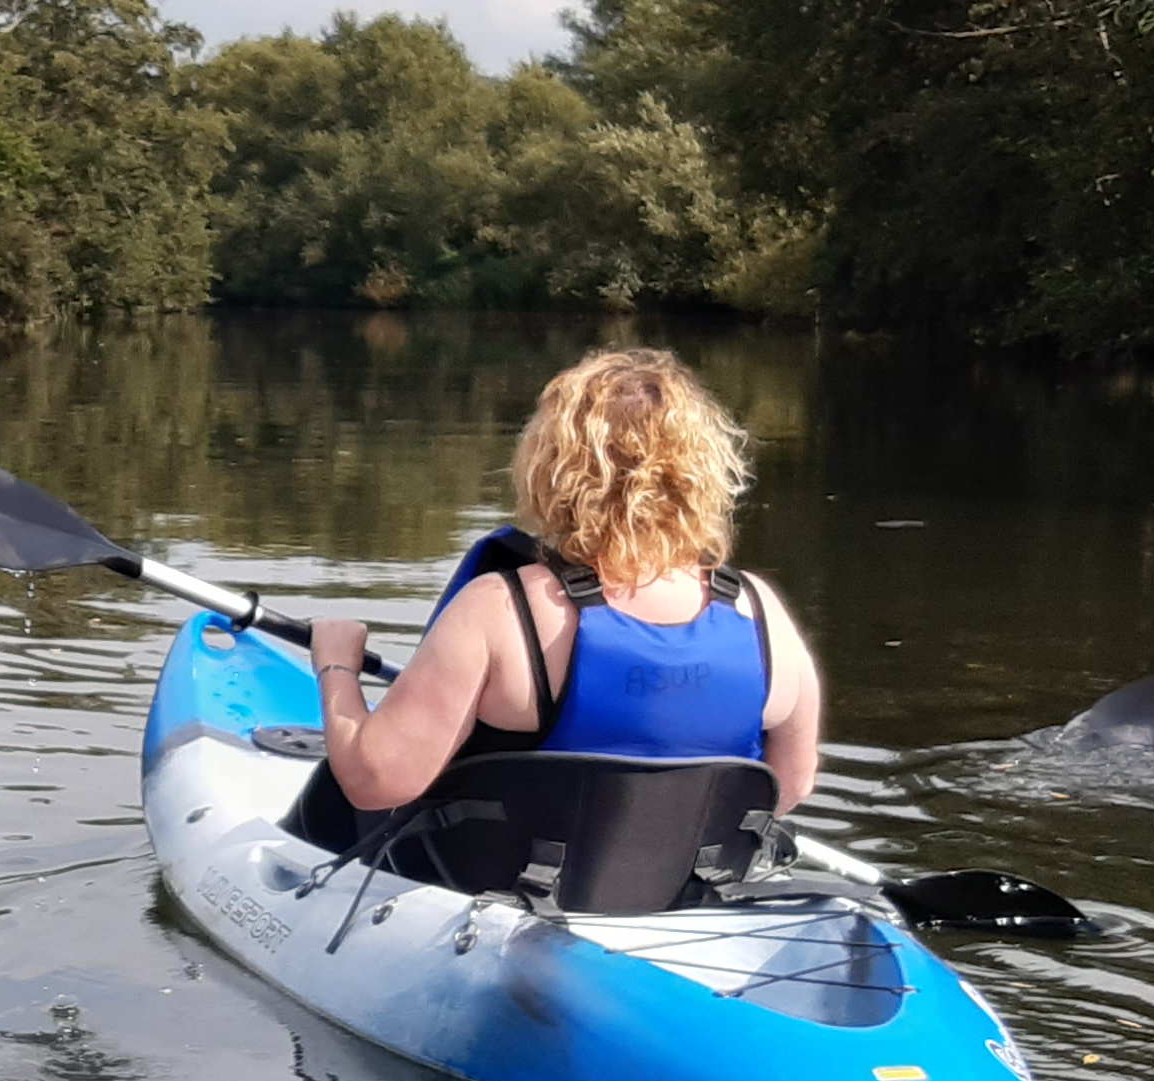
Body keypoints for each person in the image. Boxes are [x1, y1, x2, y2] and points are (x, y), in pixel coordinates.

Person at [308, 347, 823, 815]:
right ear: (703, 473)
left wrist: (337, 666)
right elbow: (789, 788)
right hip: (689, 881)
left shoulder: (499, 608)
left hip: (510, 879)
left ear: (550, 466)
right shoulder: (759, 610)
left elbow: (375, 783)